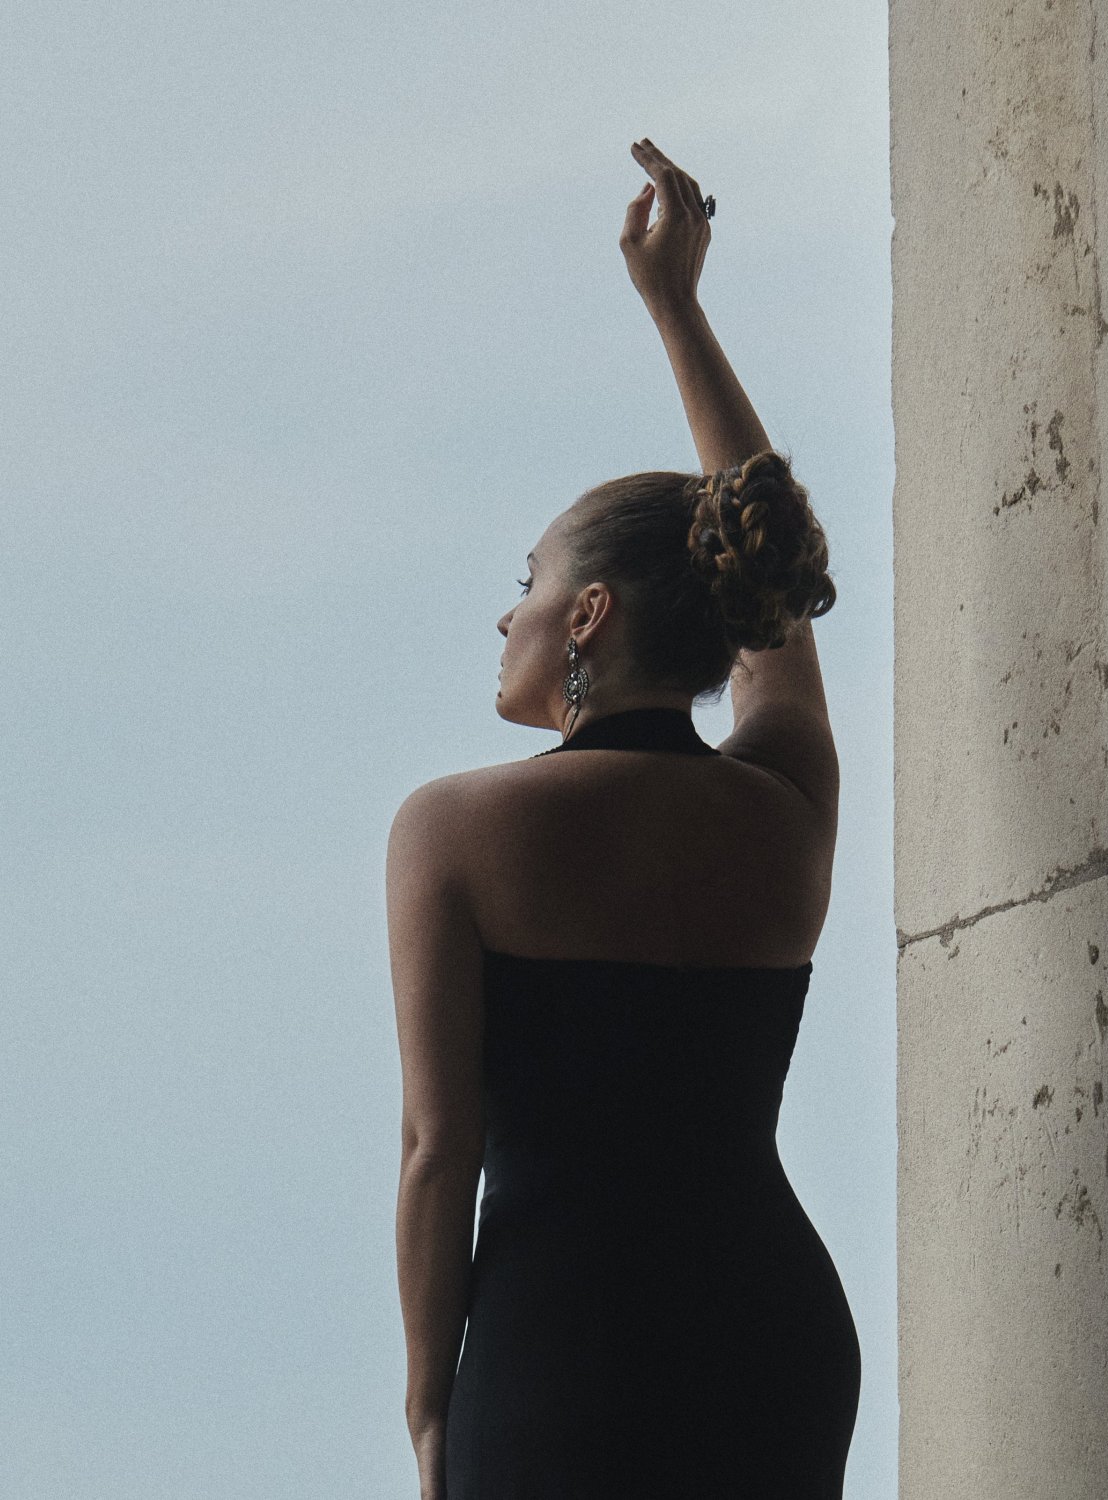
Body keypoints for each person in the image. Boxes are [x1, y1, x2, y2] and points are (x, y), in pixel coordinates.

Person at [386, 137, 859, 1499]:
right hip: (770, 1343)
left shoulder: (452, 833)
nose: (506, 612)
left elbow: (440, 1151)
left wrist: (431, 1407)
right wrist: (681, 313)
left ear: (586, 615)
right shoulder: (783, 808)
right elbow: (773, 598)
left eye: (527, 581)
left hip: (557, 1352)